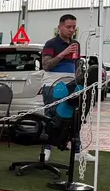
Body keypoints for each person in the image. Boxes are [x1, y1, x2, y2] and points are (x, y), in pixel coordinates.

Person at [41, 14, 95, 162]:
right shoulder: (51, 44)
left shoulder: (75, 44)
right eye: (68, 27)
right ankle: (46, 150)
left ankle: (77, 152)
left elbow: (75, 66)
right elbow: (46, 65)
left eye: (74, 27)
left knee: (74, 118)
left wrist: (82, 79)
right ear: (59, 27)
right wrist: (63, 53)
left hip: (71, 85)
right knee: (52, 117)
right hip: (52, 85)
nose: (71, 30)